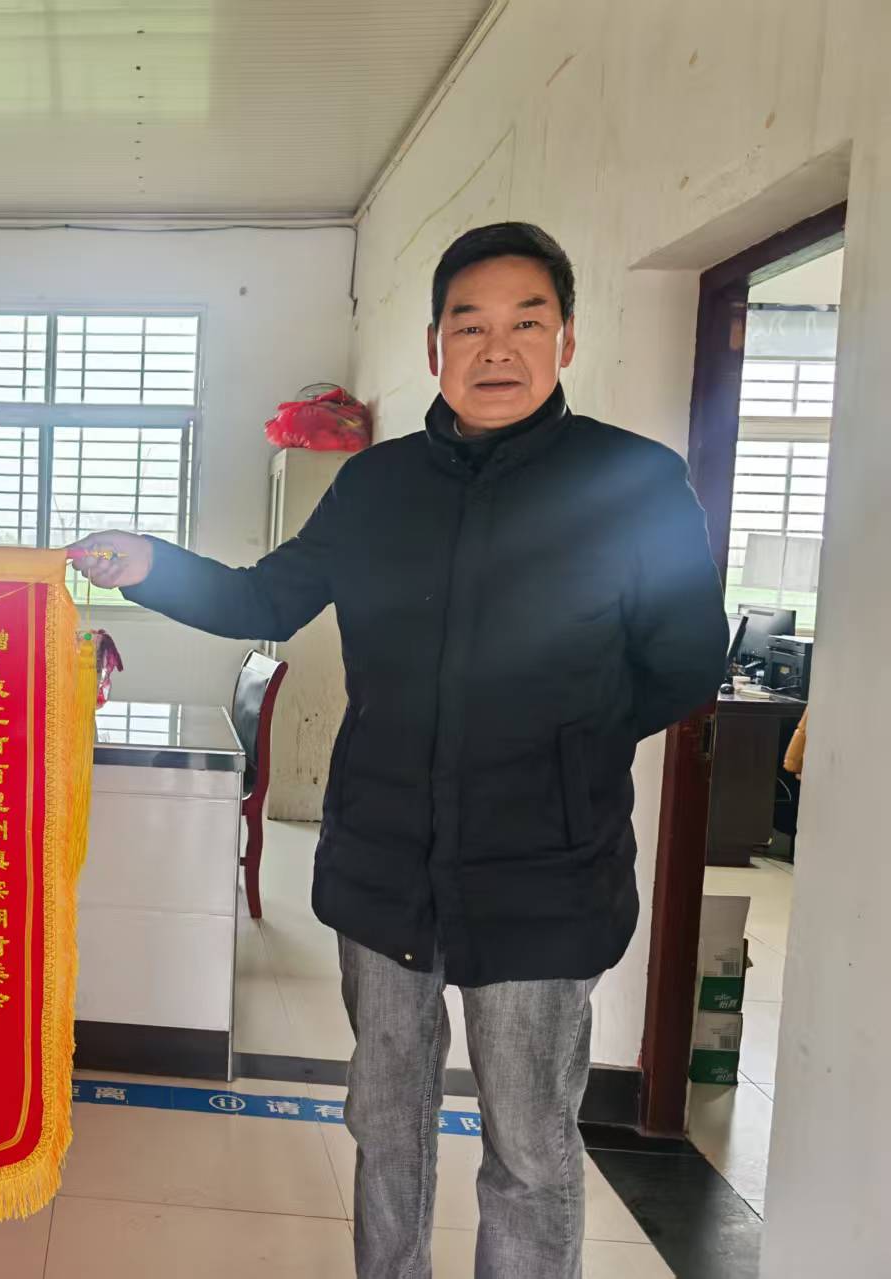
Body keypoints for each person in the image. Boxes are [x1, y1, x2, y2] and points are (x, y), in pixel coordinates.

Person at [72, 222, 726, 1279]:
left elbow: (685, 663)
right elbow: (264, 599)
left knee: (530, 1150)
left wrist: (564, 747)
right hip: (383, 865)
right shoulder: (375, 487)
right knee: (385, 1124)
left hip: (545, 875)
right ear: (434, 347)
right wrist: (150, 564)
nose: (497, 349)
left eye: (526, 323)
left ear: (566, 339)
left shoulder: (632, 482)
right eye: (469, 326)